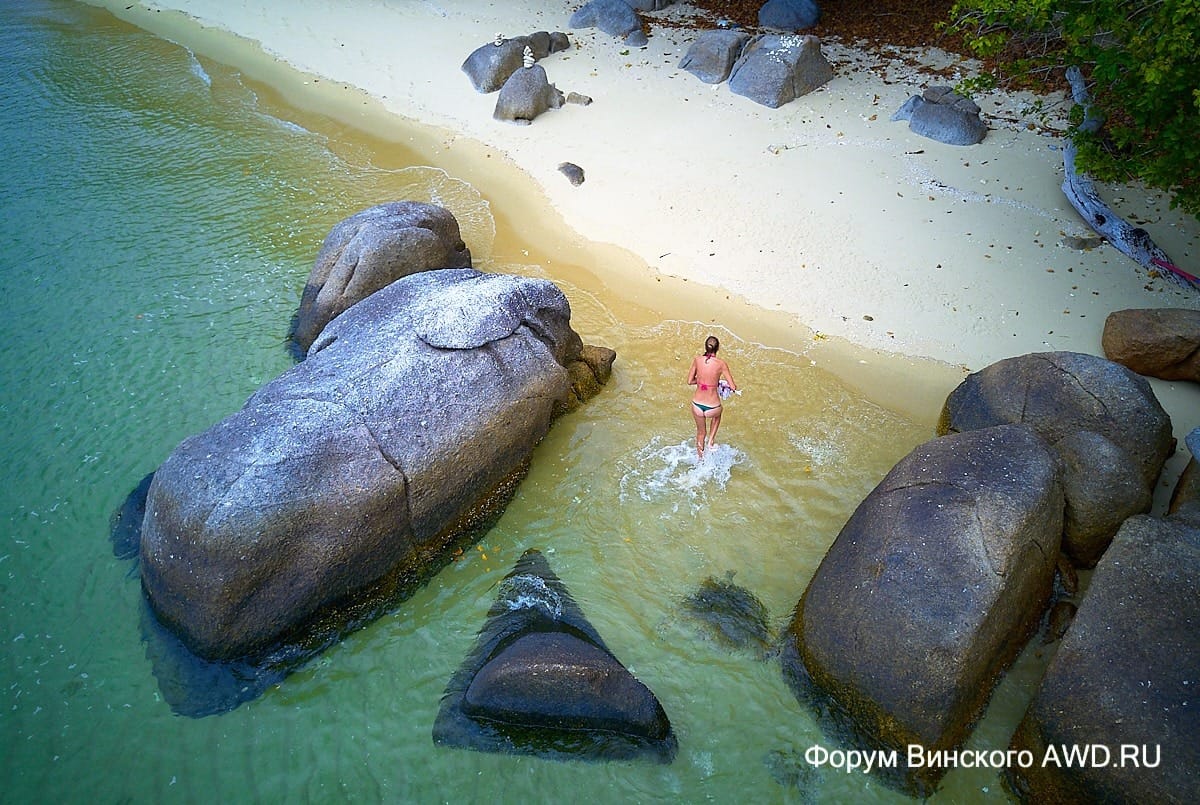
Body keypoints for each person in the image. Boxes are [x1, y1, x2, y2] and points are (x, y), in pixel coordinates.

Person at [686, 335, 737, 459]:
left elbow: (690, 381)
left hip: (697, 405)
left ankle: (700, 459)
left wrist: (703, 383)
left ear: (705, 347)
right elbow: (733, 387)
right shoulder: (721, 364)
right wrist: (718, 384)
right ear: (717, 348)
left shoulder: (697, 360)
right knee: (718, 415)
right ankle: (711, 441)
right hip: (712, 407)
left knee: (700, 433)